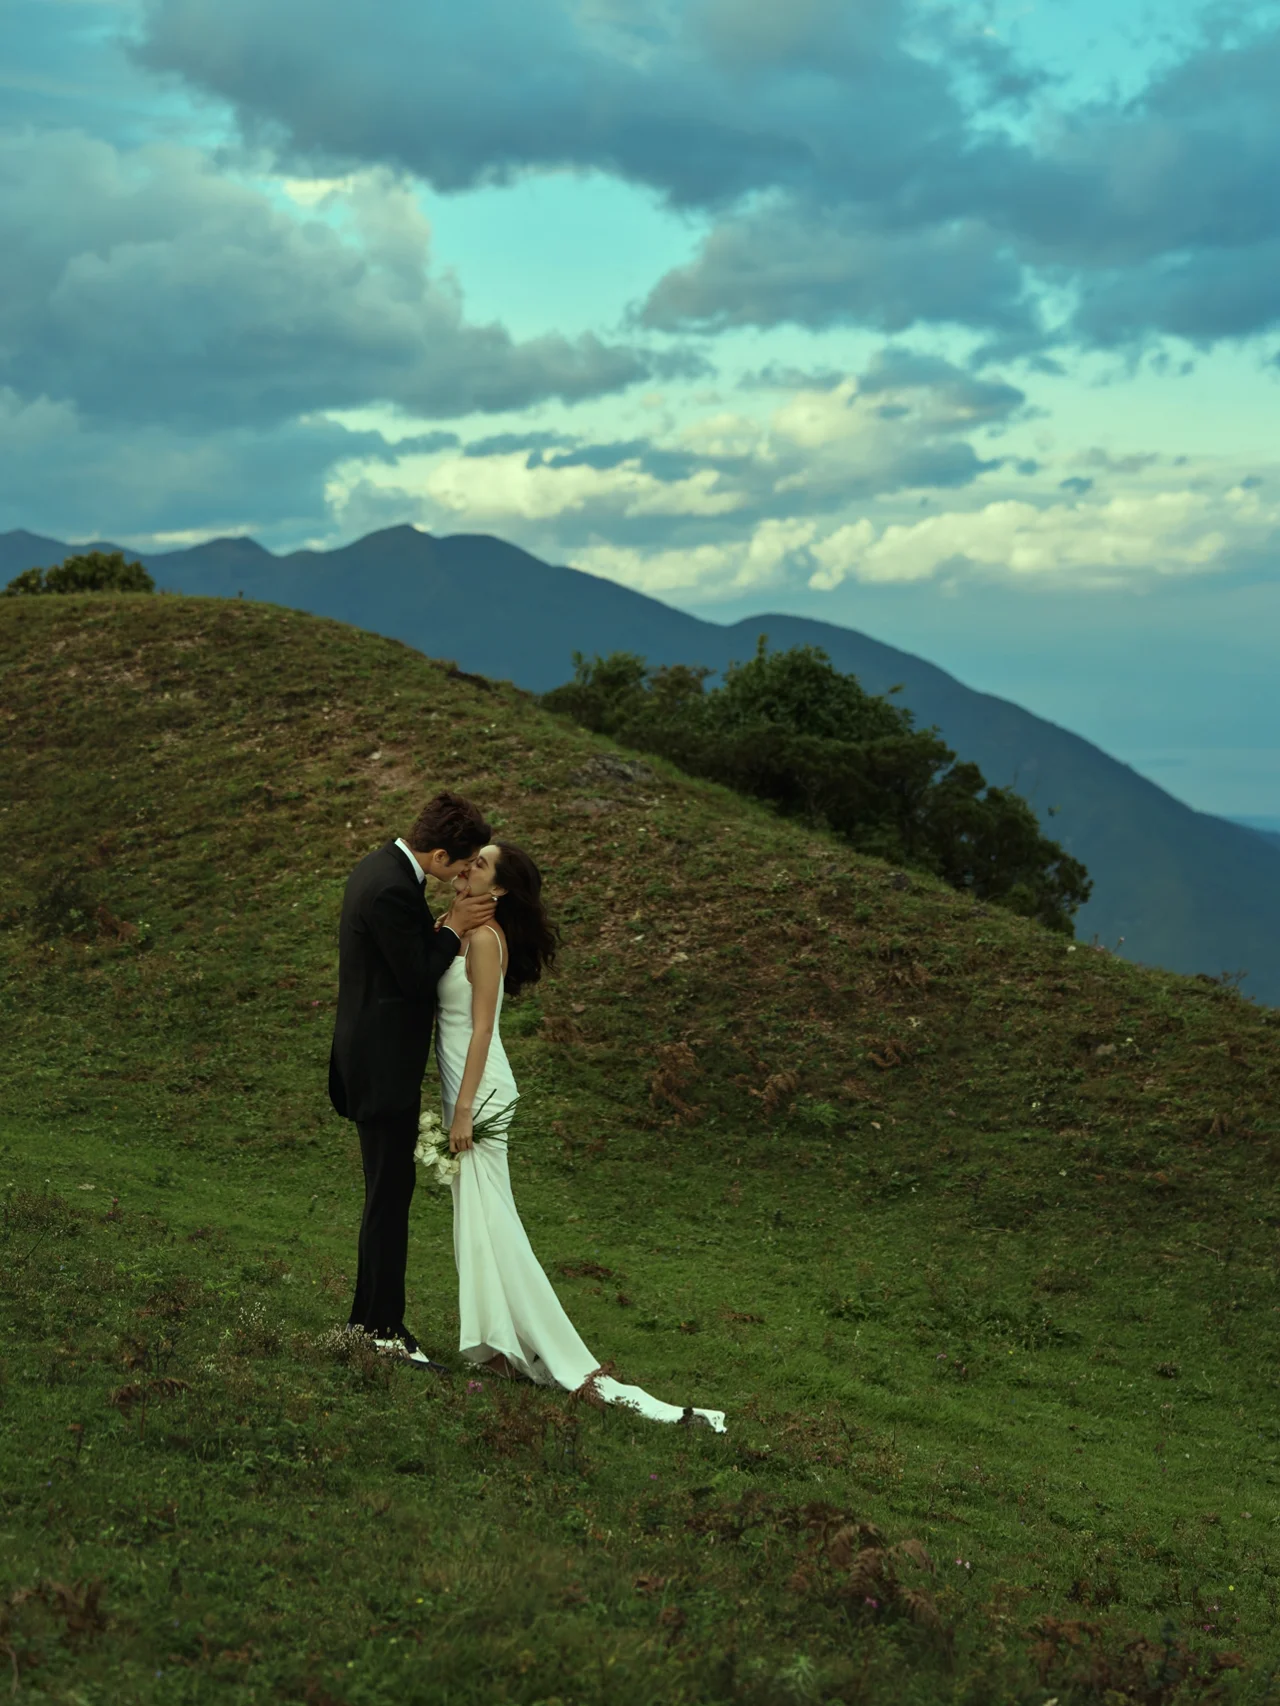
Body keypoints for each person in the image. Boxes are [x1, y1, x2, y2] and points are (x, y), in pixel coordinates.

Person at [435, 841, 727, 1431]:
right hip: (458, 1087)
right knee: (480, 1218)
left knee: (490, 1221)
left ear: (502, 891)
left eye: (481, 865)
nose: (468, 868)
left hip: (480, 1091)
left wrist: (465, 1108)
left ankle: (519, 1347)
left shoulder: (487, 941)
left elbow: (484, 1028)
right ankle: (497, 1344)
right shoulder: (453, 927)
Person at [329, 791, 494, 1369]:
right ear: (441, 852)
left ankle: (365, 1321)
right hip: (381, 1068)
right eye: (462, 863)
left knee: (384, 1195)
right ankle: (383, 1328)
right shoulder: (394, 888)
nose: (462, 875)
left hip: (370, 1058)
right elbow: (419, 975)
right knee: (388, 1199)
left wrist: (443, 923)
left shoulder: (379, 866)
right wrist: (452, 929)